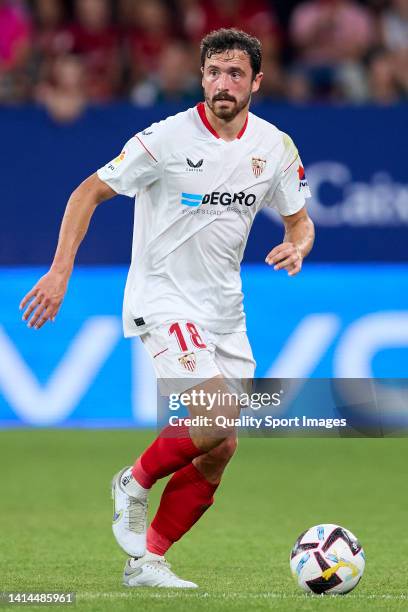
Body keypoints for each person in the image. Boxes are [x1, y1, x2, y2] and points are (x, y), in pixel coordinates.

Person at [20, 28, 315, 588]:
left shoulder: (275, 147)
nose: (221, 84)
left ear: (256, 80)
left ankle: (147, 561)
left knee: (219, 447)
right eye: (212, 72)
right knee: (215, 418)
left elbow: (300, 222)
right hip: (162, 299)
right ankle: (131, 481)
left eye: (234, 73)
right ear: (200, 76)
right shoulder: (164, 138)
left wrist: (297, 247)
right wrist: (60, 272)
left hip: (225, 311)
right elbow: (87, 192)